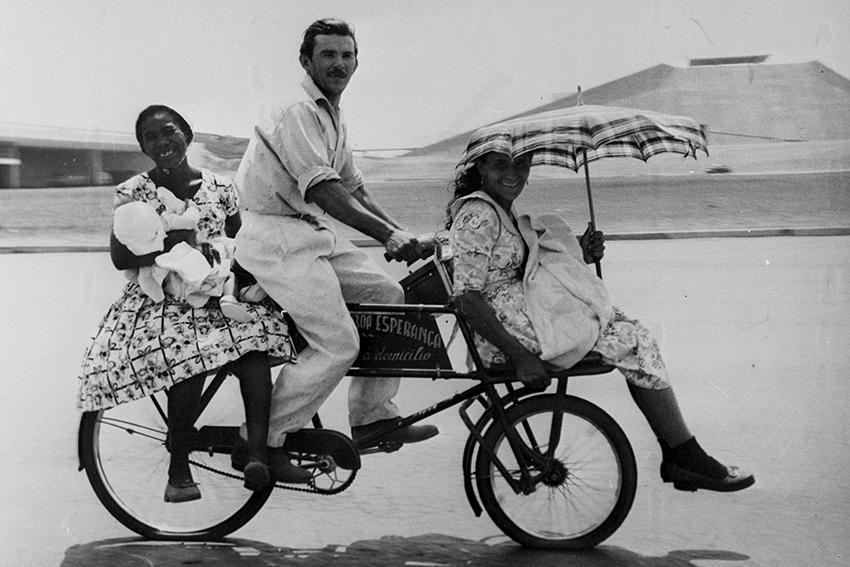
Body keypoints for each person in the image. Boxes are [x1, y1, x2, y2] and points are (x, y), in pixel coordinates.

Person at [446, 151, 755, 493]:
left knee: (631, 333)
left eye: (521, 164)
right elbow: (466, 298)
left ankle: (681, 454)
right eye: (501, 164)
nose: (513, 174)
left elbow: (517, 265)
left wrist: (580, 251)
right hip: (504, 334)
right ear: (482, 167)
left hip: (522, 318)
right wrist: (520, 357)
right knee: (634, 339)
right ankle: (685, 455)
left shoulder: (499, 208)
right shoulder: (478, 215)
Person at [76, 105, 311, 506]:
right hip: (161, 298)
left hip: (218, 293)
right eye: (150, 138)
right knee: (187, 353)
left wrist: (239, 273)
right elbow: (120, 256)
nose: (162, 142)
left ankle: (257, 455)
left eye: (169, 132)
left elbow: (244, 244)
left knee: (253, 342)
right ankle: (178, 470)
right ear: (143, 148)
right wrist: (176, 245)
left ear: (187, 134)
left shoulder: (220, 188)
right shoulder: (133, 192)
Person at [233, 18, 438, 462]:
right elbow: (323, 189)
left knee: (386, 293)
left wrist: (401, 234)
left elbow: (353, 186)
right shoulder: (298, 111)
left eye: (347, 55)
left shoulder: (332, 113)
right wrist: (386, 235)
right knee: (337, 343)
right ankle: (261, 440)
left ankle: (372, 416)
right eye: (328, 55)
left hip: (308, 232)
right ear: (306, 61)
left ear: (356, 62)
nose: (339, 64)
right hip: (275, 237)